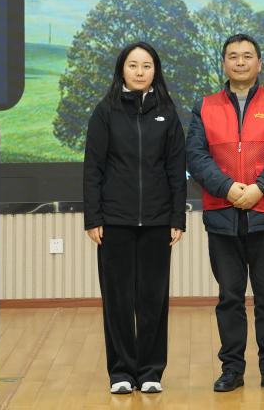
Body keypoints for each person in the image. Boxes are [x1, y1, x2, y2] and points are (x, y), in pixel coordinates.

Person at [186, 33, 264, 393]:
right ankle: (232, 370)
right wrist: (228, 188)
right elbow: (196, 156)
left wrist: (259, 188)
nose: (240, 62)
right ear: (223, 63)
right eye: (233, 56)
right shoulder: (204, 106)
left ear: (259, 63)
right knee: (229, 298)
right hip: (223, 215)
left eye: (247, 56)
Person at [83, 42, 187, 395]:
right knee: (118, 300)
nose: (140, 72)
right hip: (114, 221)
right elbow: (93, 168)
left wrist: (177, 217)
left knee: (154, 299)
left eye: (146, 65)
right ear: (122, 70)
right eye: (133, 65)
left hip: (158, 221)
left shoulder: (167, 112)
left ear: (155, 71)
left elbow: (176, 169)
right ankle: (121, 372)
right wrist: (93, 217)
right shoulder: (105, 111)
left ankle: (151, 371)